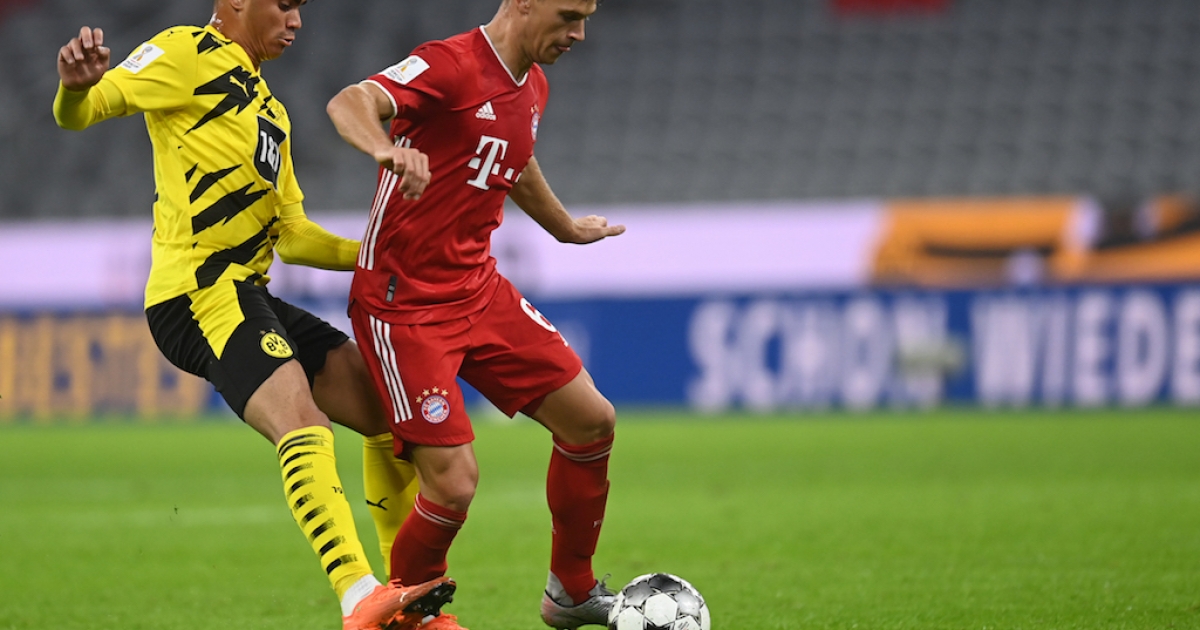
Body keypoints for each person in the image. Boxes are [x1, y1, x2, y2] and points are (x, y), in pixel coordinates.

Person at [51, 2, 454, 629]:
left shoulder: (271, 110)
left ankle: (408, 601)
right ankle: (359, 598)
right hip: (196, 292)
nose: (296, 20)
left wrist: (374, 254)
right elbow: (87, 109)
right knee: (302, 421)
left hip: (249, 291)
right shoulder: (185, 51)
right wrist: (74, 90)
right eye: (284, 4)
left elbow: (291, 234)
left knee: (382, 411)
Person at [325, 0, 623, 627]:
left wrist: (564, 227)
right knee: (454, 484)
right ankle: (406, 614)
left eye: (587, 17)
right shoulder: (450, 65)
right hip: (403, 305)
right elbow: (349, 101)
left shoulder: (533, 83)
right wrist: (385, 149)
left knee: (591, 421)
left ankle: (571, 592)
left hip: (478, 290)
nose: (579, 33)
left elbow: (514, 158)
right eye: (569, 15)